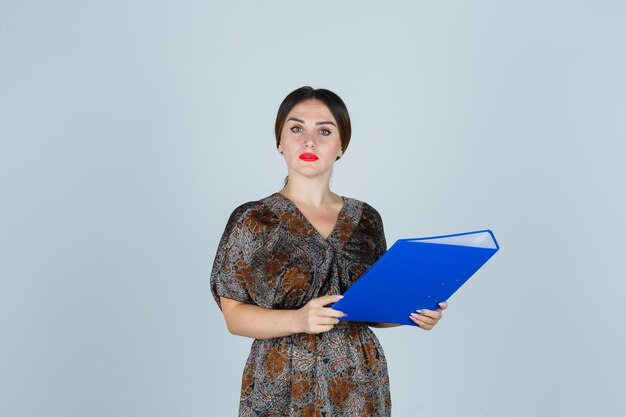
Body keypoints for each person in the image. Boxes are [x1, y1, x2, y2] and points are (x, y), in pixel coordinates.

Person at [210, 86, 448, 416]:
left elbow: (372, 308)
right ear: (279, 142)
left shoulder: (365, 218)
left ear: (341, 145)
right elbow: (234, 317)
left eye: (324, 130)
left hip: (358, 379)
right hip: (283, 381)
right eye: (296, 129)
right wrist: (298, 319)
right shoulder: (253, 219)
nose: (310, 141)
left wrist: (412, 311)